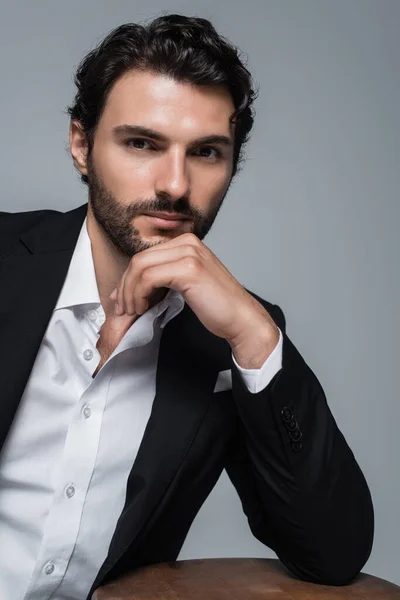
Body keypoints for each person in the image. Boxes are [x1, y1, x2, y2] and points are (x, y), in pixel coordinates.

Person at [0, 14, 373, 600]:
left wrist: (255, 333)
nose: (175, 184)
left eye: (205, 152)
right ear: (81, 145)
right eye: (142, 143)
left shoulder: (227, 342)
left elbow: (333, 552)